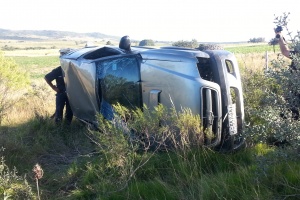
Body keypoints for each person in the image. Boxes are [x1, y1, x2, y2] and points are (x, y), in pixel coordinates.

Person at [275, 28, 299, 119]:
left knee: (291, 112)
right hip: (294, 89)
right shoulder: (297, 53)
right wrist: (280, 36)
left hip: (294, 88)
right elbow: (285, 51)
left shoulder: (297, 53)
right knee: (291, 111)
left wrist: (280, 37)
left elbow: (285, 51)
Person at [45, 50, 73, 124]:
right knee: (59, 110)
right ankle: (58, 127)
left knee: (70, 111)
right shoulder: (58, 70)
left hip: (71, 94)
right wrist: (54, 87)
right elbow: (47, 78)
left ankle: (67, 126)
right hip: (61, 93)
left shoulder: (73, 69)